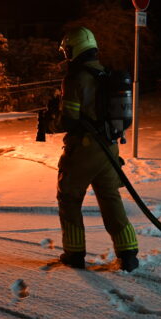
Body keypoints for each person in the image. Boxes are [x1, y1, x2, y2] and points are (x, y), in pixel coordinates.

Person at [42, 26, 139, 272]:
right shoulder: (104, 73)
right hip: (109, 150)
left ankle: (74, 253)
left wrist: (50, 123)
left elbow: (70, 119)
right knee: (110, 199)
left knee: (69, 197)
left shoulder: (75, 78)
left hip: (84, 151)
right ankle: (128, 253)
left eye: (68, 51)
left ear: (75, 49)